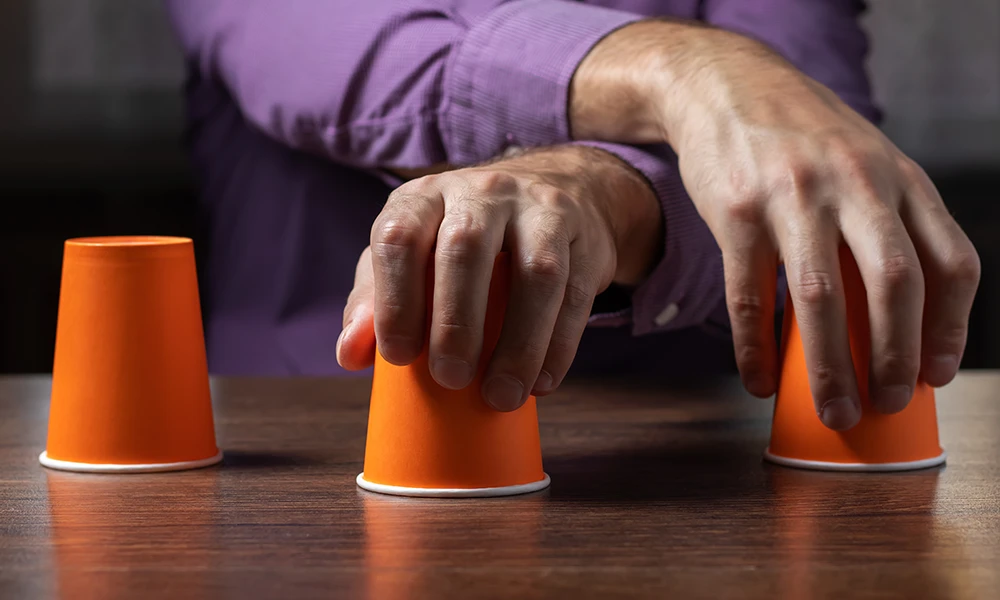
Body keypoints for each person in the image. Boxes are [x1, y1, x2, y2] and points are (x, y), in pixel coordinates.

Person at [164, 0, 980, 431]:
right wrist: (685, 70)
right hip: (299, 465)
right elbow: (336, 60)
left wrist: (605, 192)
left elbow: (805, 167)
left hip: (694, 485)